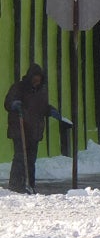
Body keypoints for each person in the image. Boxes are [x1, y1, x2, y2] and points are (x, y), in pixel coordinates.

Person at [5, 64, 71, 194]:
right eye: (35, 79)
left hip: (34, 130)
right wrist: (14, 104)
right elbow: (8, 101)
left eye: (39, 79)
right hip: (20, 129)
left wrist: (50, 110)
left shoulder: (41, 91)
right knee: (20, 157)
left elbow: (42, 107)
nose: (37, 82)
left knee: (31, 159)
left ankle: (29, 184)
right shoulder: (19, 87)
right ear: (30, 78)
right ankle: (15, 185)